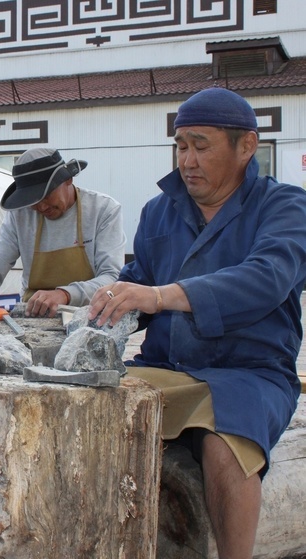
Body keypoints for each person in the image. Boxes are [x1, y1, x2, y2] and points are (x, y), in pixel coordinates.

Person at [88, 87, 306, 558]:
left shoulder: (285, 207)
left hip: (248, 371)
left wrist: (162, 295)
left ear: (246, 146)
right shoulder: (159, 210)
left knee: (226, 445)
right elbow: (139, 283)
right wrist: (113, 302)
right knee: (86, 413)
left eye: (200, 146)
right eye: (181, 145)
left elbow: (267, 278)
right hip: (165, 366)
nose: (187, 160)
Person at [0, 147, 126, 317]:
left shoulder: (103, 210)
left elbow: (112, 277)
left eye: (47, 195)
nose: (42, 207)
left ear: (68, 180)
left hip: (91, 317)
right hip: (34, 318)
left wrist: (65, 294)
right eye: (33, 201)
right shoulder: (19, 215)